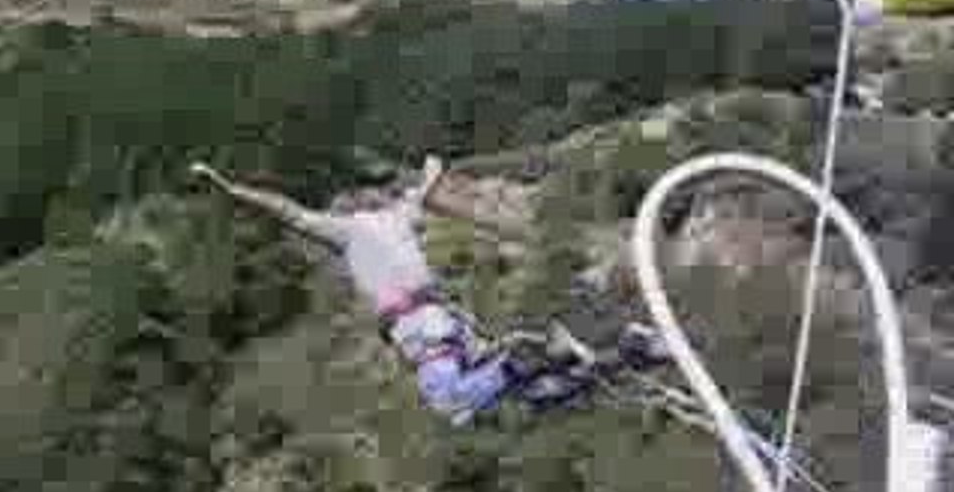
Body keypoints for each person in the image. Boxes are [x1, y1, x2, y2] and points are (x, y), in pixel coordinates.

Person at [189, 156, 670, 426]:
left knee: (452, 401)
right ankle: (630, 351)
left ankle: (534, 354)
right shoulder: (401, 216)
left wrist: (230, 189)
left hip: (422, 327)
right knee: (539, 395)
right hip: (449, 323)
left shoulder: (349, 230)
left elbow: (288, 213)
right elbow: (423, 190)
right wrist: (431, 173)